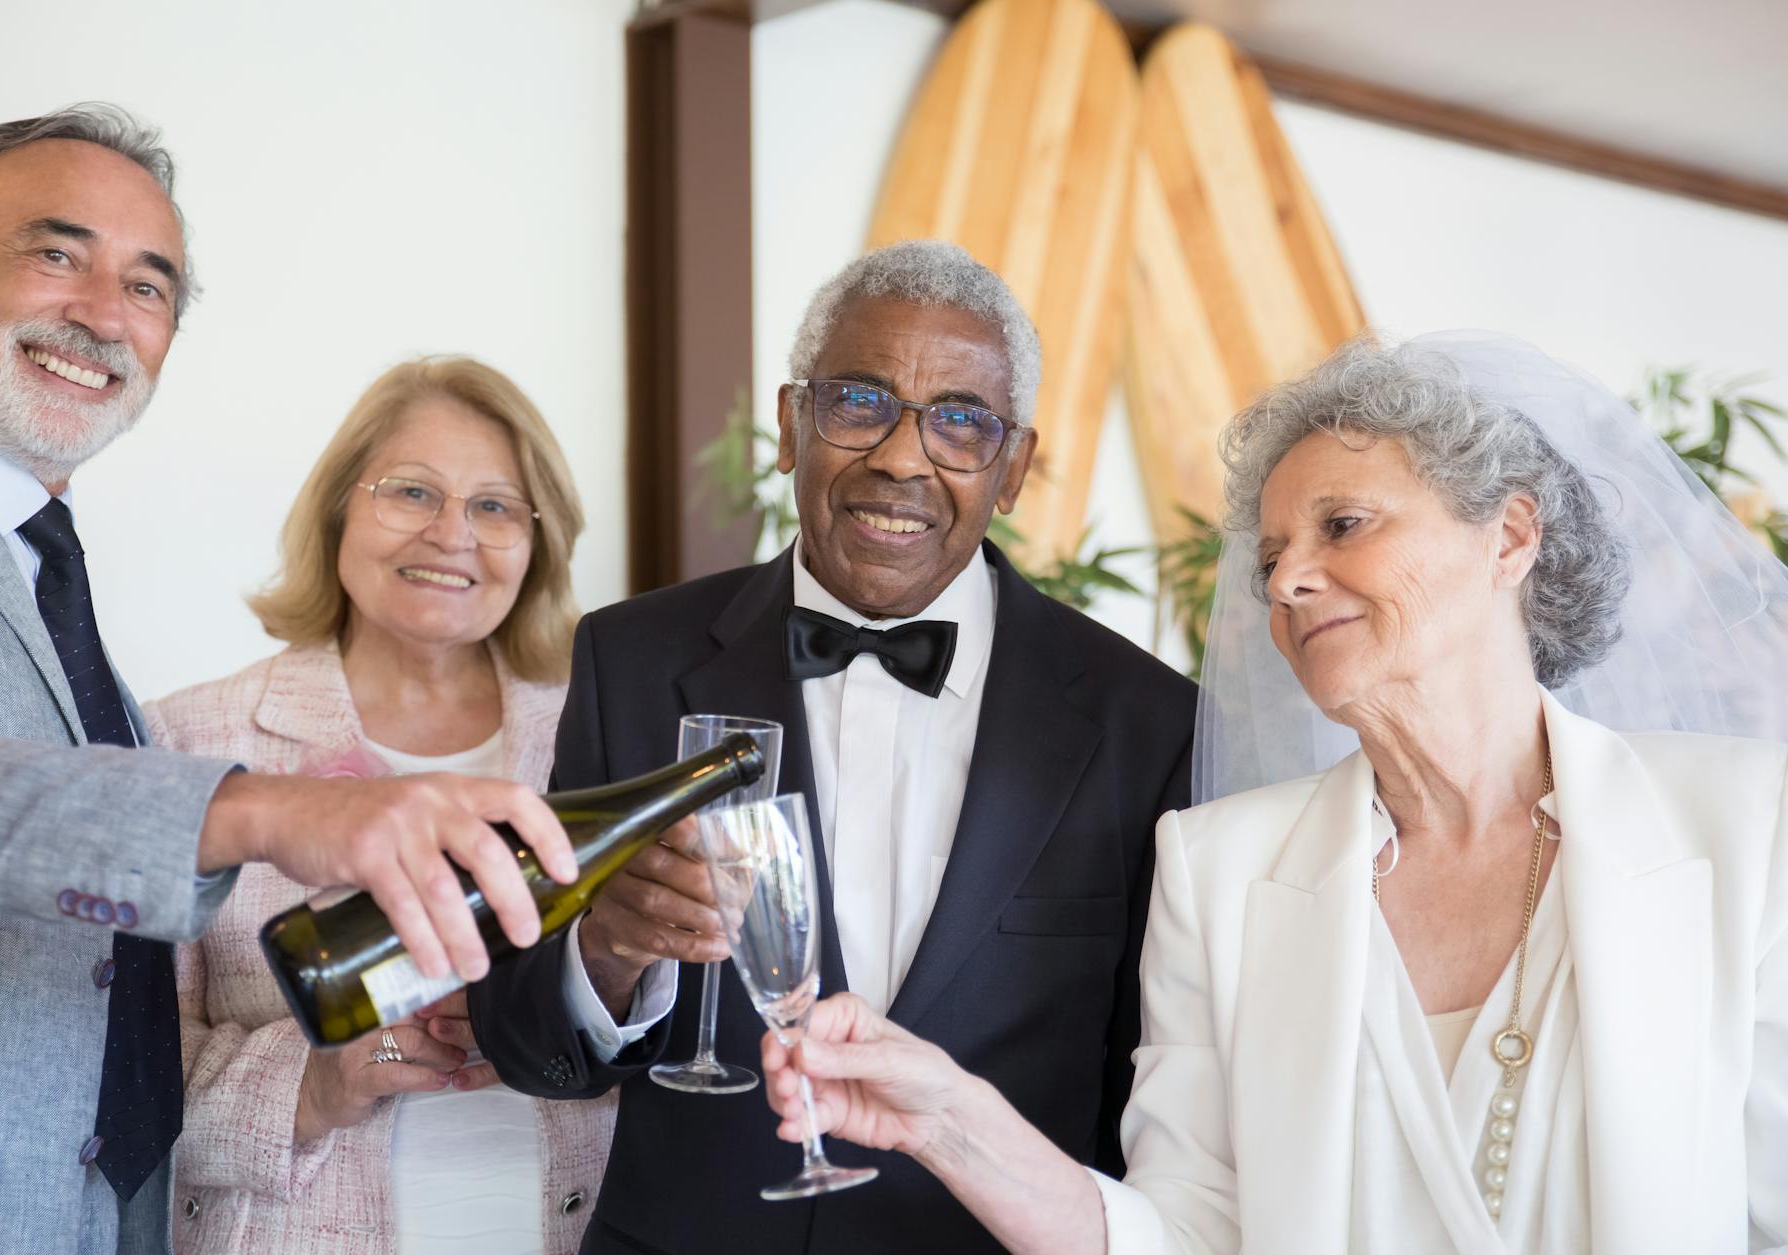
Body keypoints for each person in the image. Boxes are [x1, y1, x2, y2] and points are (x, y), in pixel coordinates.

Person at [758, 332, 1788, 1254]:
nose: (1288, 581)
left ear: (1509, 537)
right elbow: (1184, 1231)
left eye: (1341, 524)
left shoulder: (1746, 828)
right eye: (1269, 557)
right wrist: (946, 1117)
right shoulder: (1217, 872)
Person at [0, 106, 575, 1255]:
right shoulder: (195, 729)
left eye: (149, 286)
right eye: (57, 252)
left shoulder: (40, 560)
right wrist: (269, 811)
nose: (103, 313)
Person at [468, 239, 1198, 1254]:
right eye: (859, 401)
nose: (901, 457)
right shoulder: (629, 660)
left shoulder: (1146, 719)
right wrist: (607, 951)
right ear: (787, 425)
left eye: (959, 421)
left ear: (1013, 467)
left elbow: (1153, 1104)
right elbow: (528, 1044)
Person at [143, 356, 613, 1253]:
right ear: (338, 510)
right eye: (412, 491)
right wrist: (314, 1085)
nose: (452, 534)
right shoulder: (187, 740)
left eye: (495, 506)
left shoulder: (599, 737)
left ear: (537, 543)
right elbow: (114, 1075)